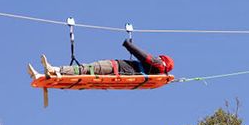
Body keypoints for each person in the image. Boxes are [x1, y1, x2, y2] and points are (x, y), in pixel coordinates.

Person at [27, 40, 174, 79]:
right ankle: (45, 74)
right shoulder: (155, 72)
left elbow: (143, 55)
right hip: (117, 69)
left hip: (115, 67)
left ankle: (55, 69)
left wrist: (128, 44)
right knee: (85, 70)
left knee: (86, 69)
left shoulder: (159, 65)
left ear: (163, 61)